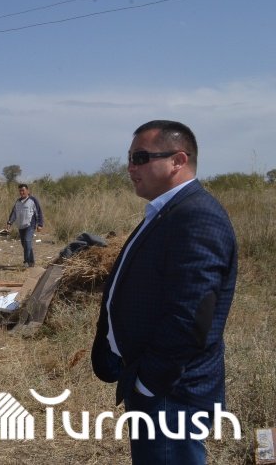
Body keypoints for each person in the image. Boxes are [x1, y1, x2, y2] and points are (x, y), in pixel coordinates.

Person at [91, 120, 237, 464]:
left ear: (178, 161)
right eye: (129, 158)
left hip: (172, 392)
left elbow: (192, 316)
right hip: (158, 387)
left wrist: (148, 381)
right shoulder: (167, 212)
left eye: (141, 158)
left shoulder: (197, 217)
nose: (131, 167)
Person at [6, 184, 43, 267]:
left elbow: (39, 212)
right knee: (25, 244)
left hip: (30, 225)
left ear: (27, 191)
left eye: (23, 190)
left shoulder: (33, 200)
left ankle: (26, 261)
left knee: (27, 241)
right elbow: (14, 213)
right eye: (20, 191)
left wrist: (40, 224)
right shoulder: (18, 202)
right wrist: (9, 223)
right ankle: (31, 262)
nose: (21, 192)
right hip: (21, 226)